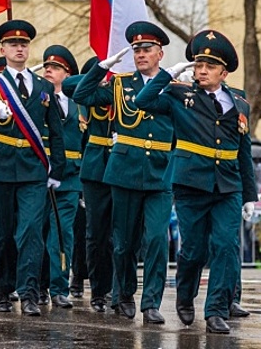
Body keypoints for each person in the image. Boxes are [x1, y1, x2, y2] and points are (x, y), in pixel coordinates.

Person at [135, 29, 257, 334]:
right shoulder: (179, 94)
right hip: (192, 184)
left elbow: (244, 152)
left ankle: (215, 310)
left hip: (228, 186)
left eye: (209, 66)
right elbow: (142, 101)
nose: (201, 71)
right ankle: (185, 295)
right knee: (193, 250)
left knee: (227, 246)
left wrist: (251, 195)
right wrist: (166, 75)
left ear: (223, 72)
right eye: (198, 65)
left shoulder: (239, 103)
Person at [73, 21, 172, 324]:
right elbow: (81, 94)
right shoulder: (120, 84)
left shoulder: (174, 88)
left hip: (159, 172)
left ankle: (151, 301)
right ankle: (124, 294)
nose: (141, 54)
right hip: (125, 170)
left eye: (147, 49)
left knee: (156, 239)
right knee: (123, 241)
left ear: (160, 54)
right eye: (137, 49)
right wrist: (102, 67)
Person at [0, 20, 65, 316]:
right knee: (2, 233)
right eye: (13, 44)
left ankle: (29, 293)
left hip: (32, 168)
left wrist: (57, 170)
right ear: (3, 49)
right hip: (0, 167)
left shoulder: (43, 86)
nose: (19, 48)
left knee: (30, 231)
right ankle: (3, 290)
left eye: (24, 44)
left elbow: (55, 130)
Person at [64, 56, 115, 312]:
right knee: (93, 234)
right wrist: (100, 72)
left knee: (120, 236)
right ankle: (96, 287)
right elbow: (69, 85)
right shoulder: (90, 94)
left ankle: (116, 287)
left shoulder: (125, 90)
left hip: (121, 167)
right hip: (94, 170)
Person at [40, 44, 83, 309]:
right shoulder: (37, 100)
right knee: (34, 233)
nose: (48, 70)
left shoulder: (80, 104)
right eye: (46, 66)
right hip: (41, 175)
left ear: (67, 74)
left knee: (61, 234)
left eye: (55, 68)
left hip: (70, 178)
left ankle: (58, 287)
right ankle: (36, 286)